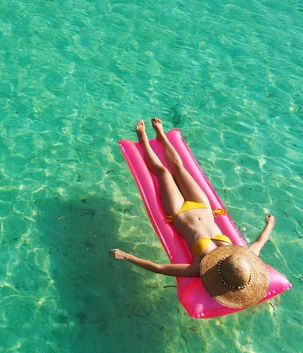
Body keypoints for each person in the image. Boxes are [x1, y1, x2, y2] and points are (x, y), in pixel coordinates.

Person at [110, 118, 276, 308]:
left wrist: (126, 256)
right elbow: (260, 242)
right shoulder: (242, 259)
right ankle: (161, 135)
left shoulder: (200, 269)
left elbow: (159, 268)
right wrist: (270, 224)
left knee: (164, 172)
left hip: (179, 212)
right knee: (179, 168)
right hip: (203, 206)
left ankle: (143, 139)